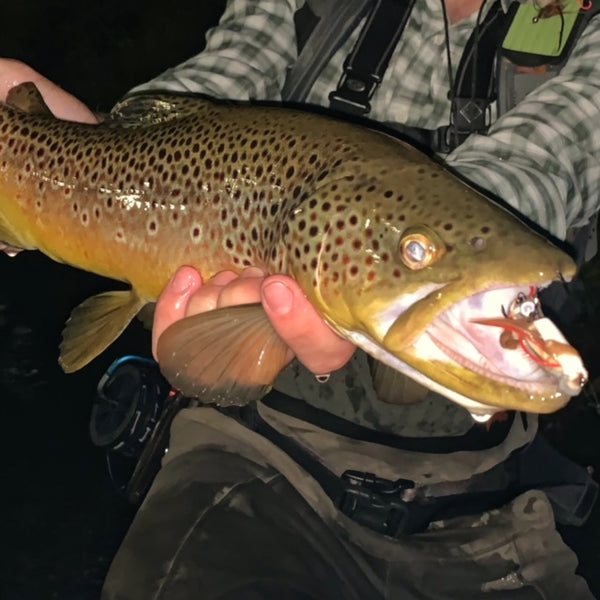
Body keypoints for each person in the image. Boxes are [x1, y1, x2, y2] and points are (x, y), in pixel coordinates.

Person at [2, 0, 600, 597]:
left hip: (489, 506)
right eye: (416, 253)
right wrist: (84, 144)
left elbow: (542, 162)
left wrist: (430, 253)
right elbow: (227, 72)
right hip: (253, 457)